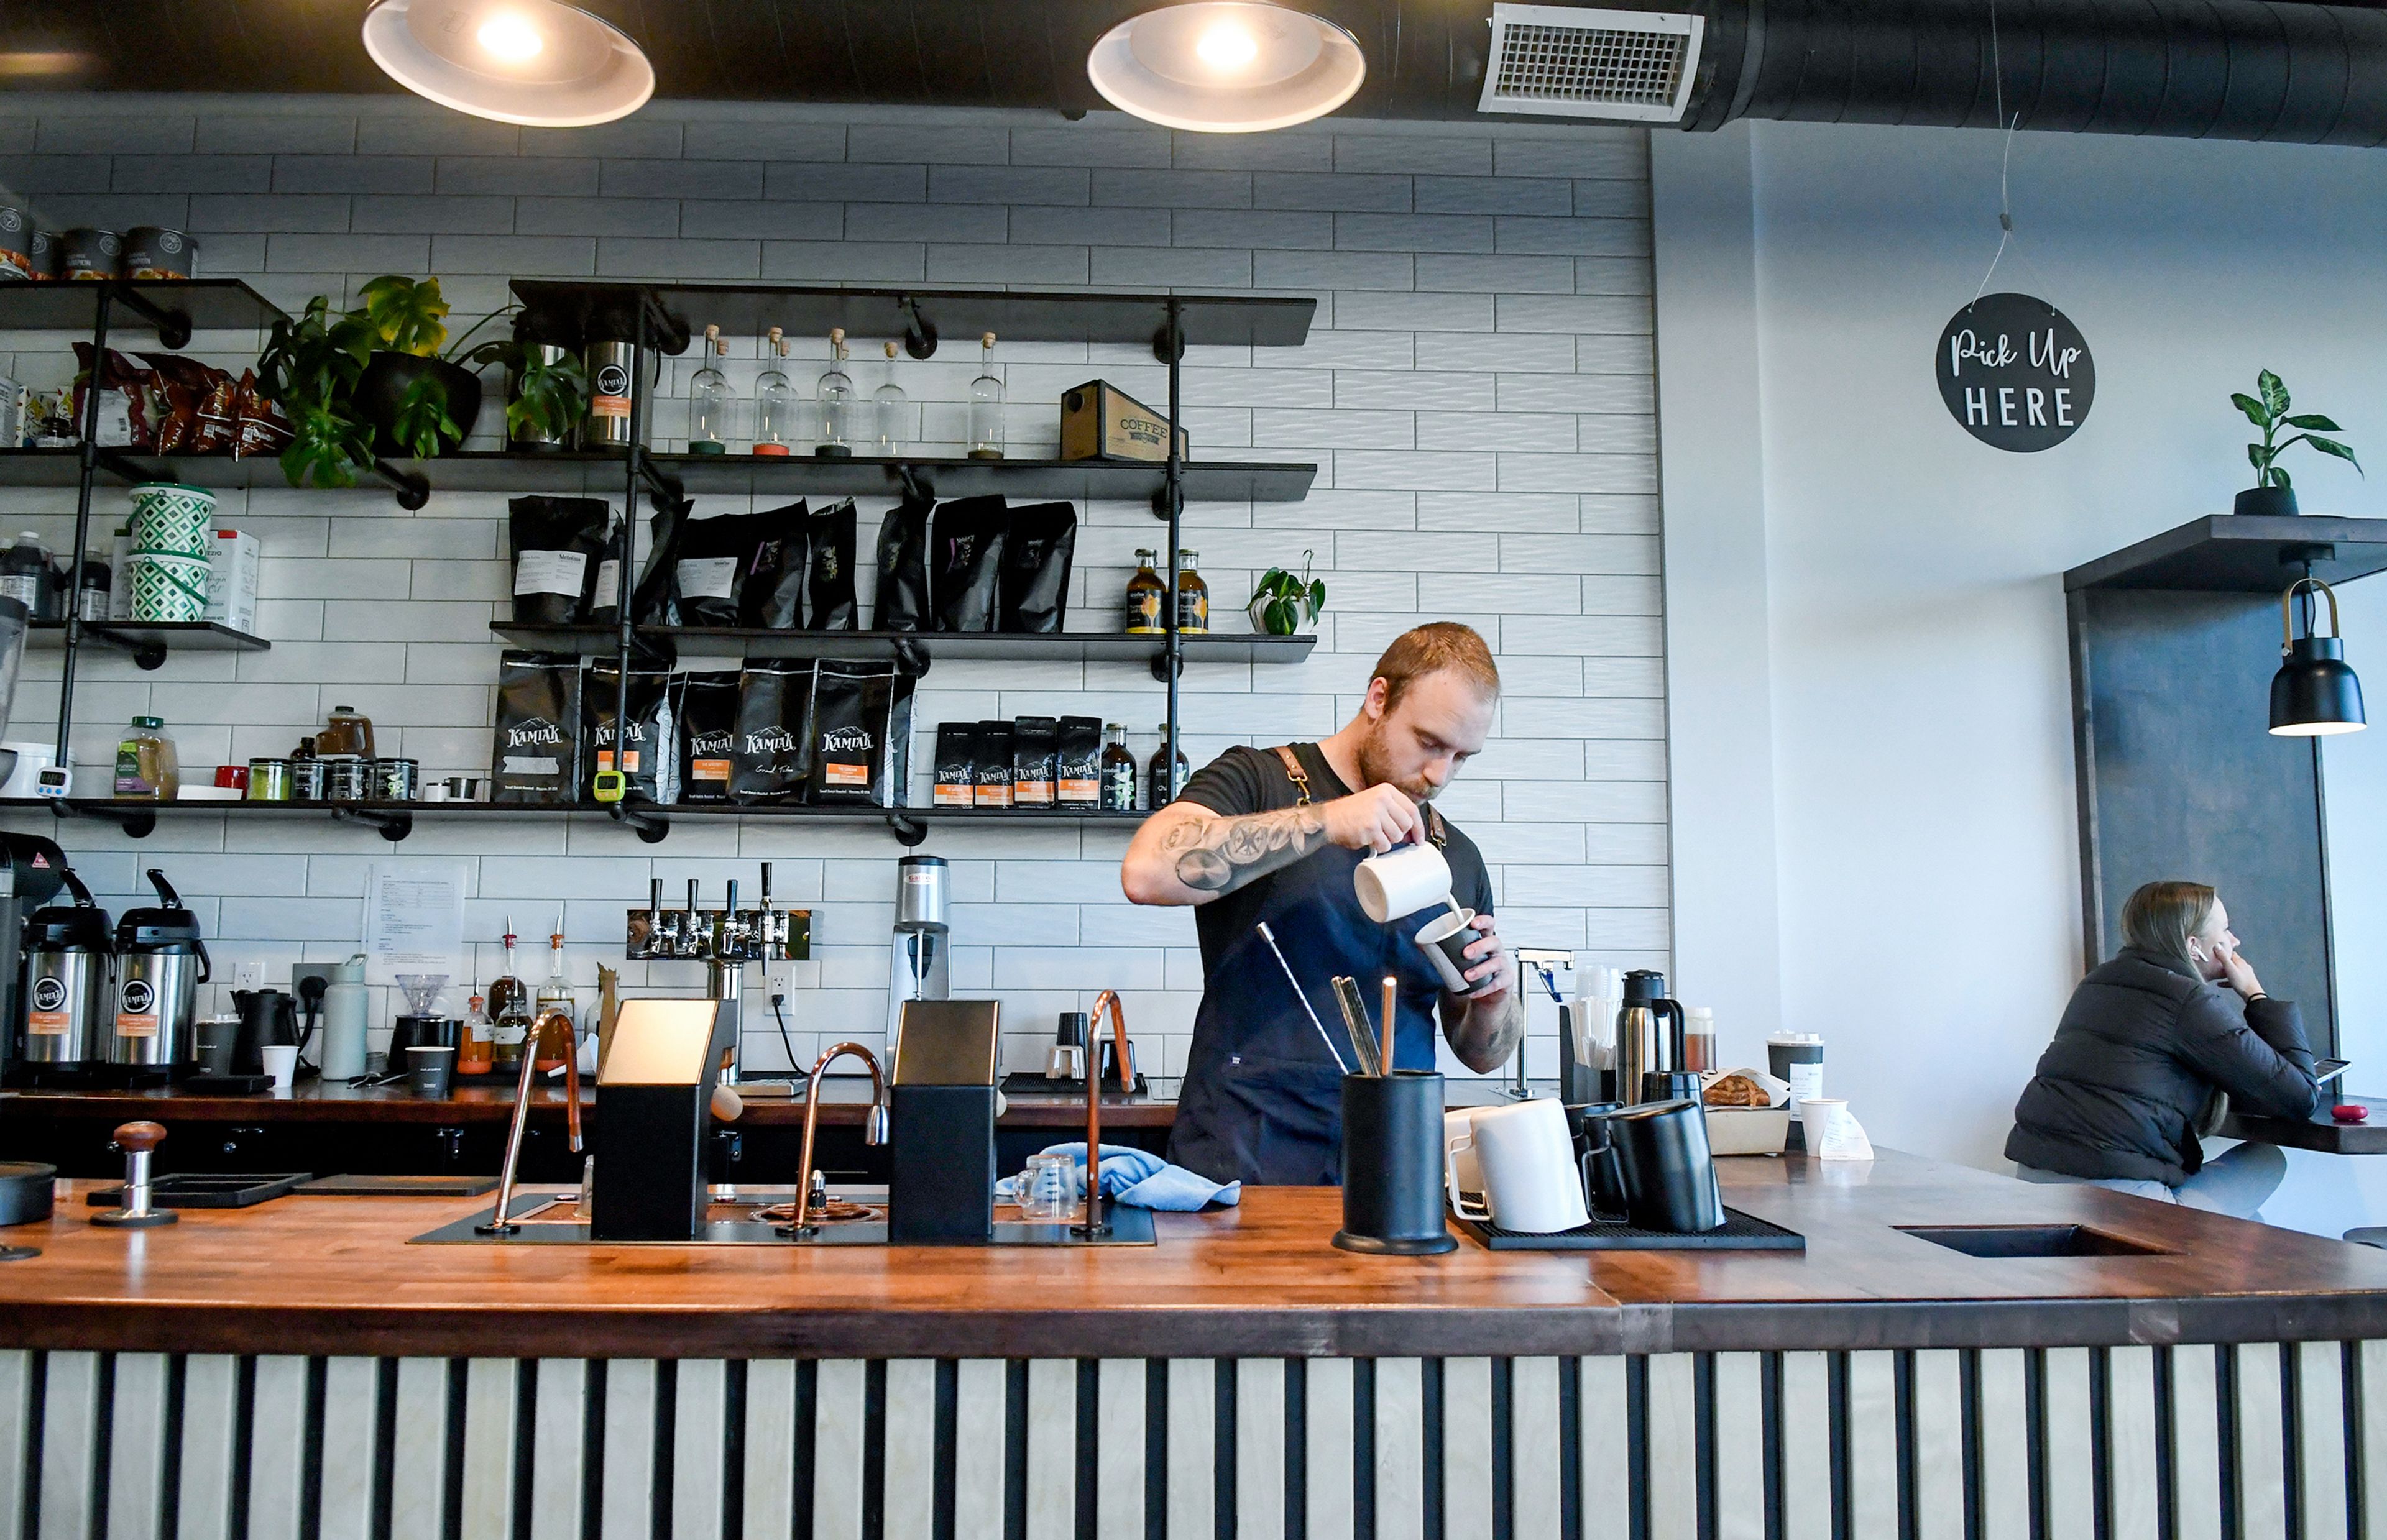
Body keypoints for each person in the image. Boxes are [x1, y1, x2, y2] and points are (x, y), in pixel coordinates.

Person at [1120, 623, 1523, 1185]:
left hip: (1392, 1167)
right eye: (1430, 743)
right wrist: (1329, 820)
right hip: (1243, 1159)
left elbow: (1482, 1053)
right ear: (1378, 698)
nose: (1439, 775)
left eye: (1461, 757)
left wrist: (1494, 1000)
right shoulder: (1258, 781)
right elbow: (1145, 872)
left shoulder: (1457, 856)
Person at [2005, 880, 2319, 1217]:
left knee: (2244, 1226)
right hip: (2117, 1202)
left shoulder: (2099, 982)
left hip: (2034, 1185)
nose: (2235, 942)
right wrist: (2256, 995)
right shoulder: (2188, 1000)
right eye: (2225, 931)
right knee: (2265, 1161)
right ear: (2194, 946)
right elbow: (2301, 1097)